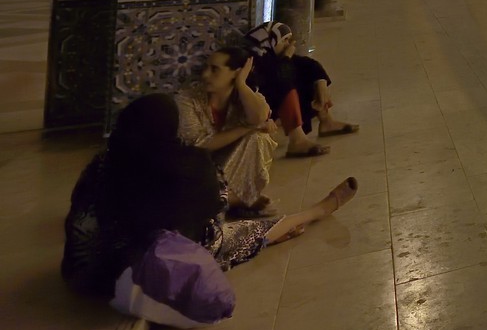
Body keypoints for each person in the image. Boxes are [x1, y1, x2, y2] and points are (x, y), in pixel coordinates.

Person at [63, 94, 359, 300]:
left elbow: (84, 221)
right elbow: (210, 231)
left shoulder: (101, 164)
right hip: (137, 280)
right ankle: (316, 211)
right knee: (245, 232)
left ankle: (253, 214)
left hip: (86, 272)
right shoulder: (189, 167)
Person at [175, 48, 278, 214]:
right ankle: (235, 199)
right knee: (254, 131)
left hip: (231, 163)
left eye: (215, 69)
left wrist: (241, 84)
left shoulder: (246, 96)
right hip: (198, 169)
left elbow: (260, 117)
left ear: (235, 73)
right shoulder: (187, 100)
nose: (205, 75)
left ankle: (233, 197)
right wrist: (248, 127)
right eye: (206, 68)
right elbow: (199, 145)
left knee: (259, 137)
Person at [245, 23, 359, 147]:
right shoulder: (255, 58)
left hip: (270, 102)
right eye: (285, 40)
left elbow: (309, 64)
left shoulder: (272, 55)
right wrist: (287, 58)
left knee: (309, 72)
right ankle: (297, 140)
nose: (289, 45)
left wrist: (321, 82)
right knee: (286, 85)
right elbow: (279, 79)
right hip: (261, 108)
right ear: (270, 41)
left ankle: (327, 122)